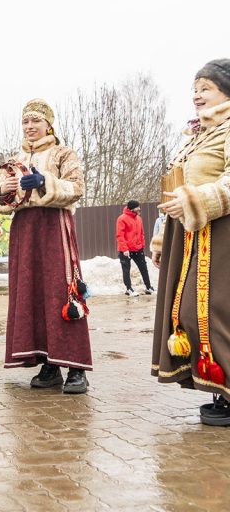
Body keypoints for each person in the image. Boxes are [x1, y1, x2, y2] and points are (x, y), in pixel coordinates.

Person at [0, 99, 92, 394]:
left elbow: (77, 187)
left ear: (49, 124)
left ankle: (76, 366)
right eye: (25, 122)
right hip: (24, 229)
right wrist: (4, 191)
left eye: (36, 121)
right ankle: (49, 362)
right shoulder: (15, 158)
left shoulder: (63, 153)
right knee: (32, 293)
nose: (30, 127)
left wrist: (45, 182)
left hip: (53, 225)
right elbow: (2, 201)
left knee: (61, 291)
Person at [152, 58, 230, 426]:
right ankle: (218, 387)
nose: (197, 95)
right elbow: (175, 187)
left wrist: (195, 202)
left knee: (217, 313)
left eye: (206, 88)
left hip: (223, 236)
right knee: (190, 314)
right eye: (194, 89)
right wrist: (159, 238)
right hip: (191, 236)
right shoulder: (199, 135)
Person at [115, 200, 155, 297]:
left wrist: (142, 245)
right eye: (137, 207)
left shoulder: (139, 219)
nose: (139, 209)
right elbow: (120, 235)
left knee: (144, 268)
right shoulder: (122, 219)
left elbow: (141, 234)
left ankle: (148, 287)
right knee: (126, 270)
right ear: (132, 208)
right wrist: (124, 249)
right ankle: (129, 289)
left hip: (138, 249)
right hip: (126, 250)